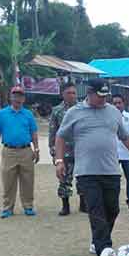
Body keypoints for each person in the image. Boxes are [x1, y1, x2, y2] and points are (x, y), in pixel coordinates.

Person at [55, 79, 129, 256]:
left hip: (111, 170)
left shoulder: (113, 112)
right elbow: (60, 136)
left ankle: (96, 241)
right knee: (95, 208)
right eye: (100, 96)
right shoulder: (74, 113)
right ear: (89, 93)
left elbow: (126, 137)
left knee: (112, 208)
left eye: (106, 96)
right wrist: (59, 160)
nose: (103, 100)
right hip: (86, 171)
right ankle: (104, 248)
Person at [0, 85, 40, 218]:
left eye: (20, 96)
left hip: (26, 151)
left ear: (24, 98)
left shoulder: (28, 114)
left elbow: (34, 132)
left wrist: (36, 149)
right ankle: (7, 208)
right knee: (8, 181)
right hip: (9, 151)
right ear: (10, 97)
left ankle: (28, 206)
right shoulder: (2, 114)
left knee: (28, 180)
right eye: (15, 95)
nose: (17, 98)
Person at [48, 83, 78, 216]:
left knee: (84, 178)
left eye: (74, 93)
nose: (72, 96)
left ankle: (84, 204)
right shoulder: (57, 111)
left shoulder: (82, 108)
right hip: (64, 151)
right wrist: (54, 151)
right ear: (63, 95)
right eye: (69, 93)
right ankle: (65, 206)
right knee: (64, 179)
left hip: (82, 150)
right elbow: (53, 131)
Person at [112, 94, 129, 209]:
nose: (117, 105)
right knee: (113, 179)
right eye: (115, 103)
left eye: (119, 103)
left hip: (128, 154)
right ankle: (113, 201)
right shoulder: (108, 117)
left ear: (124, 103)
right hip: (113, 154)